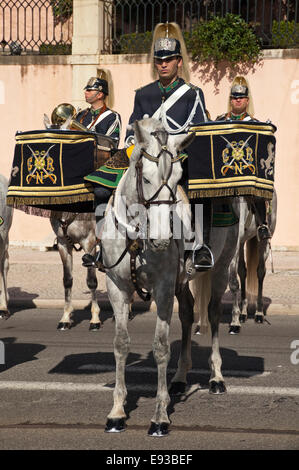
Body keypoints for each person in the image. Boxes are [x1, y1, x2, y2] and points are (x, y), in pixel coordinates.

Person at [125, 22, 214, 271]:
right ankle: (107, 243)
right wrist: (134, 148)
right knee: (106, 185)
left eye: (169, 60)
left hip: (179, 158)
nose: (163, 64)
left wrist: (177, 153)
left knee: (199, 190)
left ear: (178, 62)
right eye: (159, 60)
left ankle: (198, 246)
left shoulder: (191, 94)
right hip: (150, 160)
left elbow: (198, 131)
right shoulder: (144, 94)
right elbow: (133, 130)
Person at [216, 76, 271, 240]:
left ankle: (262, 224)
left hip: (247, 171)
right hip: (225, 172)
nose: (237, 100)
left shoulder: (255, 124)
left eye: (241, 98)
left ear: (247, 100)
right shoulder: (220, 121)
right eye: (234, 97)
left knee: (257, 189)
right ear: (230, 100)